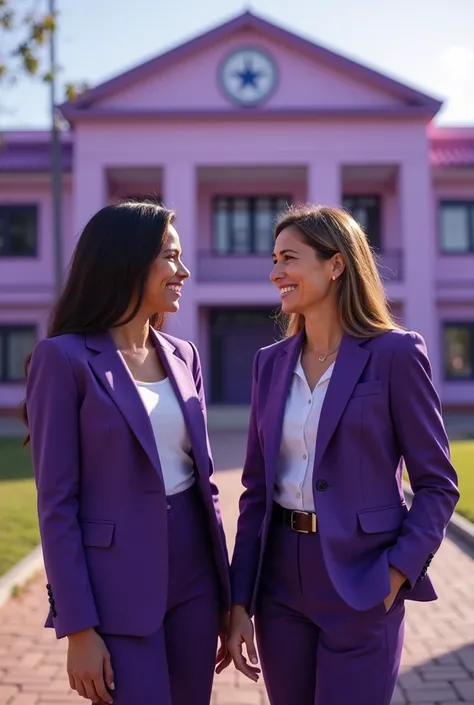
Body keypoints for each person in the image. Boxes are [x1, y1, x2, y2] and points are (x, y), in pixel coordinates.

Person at [227, 204, 459, 705]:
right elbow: (254, 492)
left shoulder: (396, 354)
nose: (275, 273)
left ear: (336, 264)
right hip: (280, 581)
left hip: (363, 578)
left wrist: (397, 573)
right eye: (273, 259)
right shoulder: (269, 365)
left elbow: (438, 482)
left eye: (289, 258)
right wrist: (240, 599)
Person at [23, 201, 230, 705]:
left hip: (196, 578)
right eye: (170, 257)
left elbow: (205, 482)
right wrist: (78, 628)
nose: (183, 271)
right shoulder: (63, 359)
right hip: (116, 588)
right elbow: (57, 505)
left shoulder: (185, 356)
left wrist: (228, 599)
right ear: (128, 262)